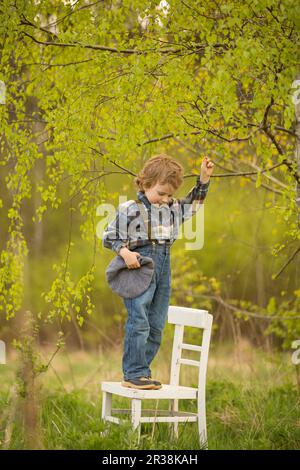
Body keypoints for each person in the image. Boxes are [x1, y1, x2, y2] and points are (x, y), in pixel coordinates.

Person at [102, 154, 214, 389]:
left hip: (164, 267)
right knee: (139, 320)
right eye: (161, 193)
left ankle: (141, 372)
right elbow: (109, 236)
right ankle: (133, 372)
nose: (165, 199)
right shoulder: (130, 209)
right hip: (138, 267)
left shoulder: (173, 208)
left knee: (157, 323)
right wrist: (125, 252)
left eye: (170, 195)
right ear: (145, 184)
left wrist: (203, 179)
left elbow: (192, 206)